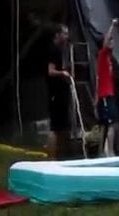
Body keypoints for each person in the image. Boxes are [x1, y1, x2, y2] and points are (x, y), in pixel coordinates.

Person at [45, 24, 71, 160]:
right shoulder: (53, 50)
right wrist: (63, 73)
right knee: (55, 128)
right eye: (65, 34)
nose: (67, 37)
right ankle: (52, 159)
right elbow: (50, 71)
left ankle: (60, 156)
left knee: (62, 127)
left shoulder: (59, 51)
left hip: (60, 94)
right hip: (55, 94)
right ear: (58, 35)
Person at [95, 18, 119, 157]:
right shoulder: (102, 55)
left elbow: (99, 79)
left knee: (107, 125)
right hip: (105, 95)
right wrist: (112, 25)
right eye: (111, 41)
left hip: (107, 95)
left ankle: (103, 152)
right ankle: (110, 152)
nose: (112, 42)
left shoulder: (109, 58)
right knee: (111, 124)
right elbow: (106, 39)